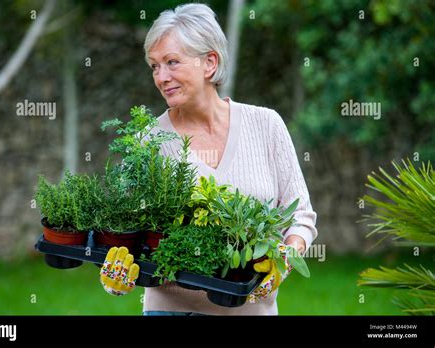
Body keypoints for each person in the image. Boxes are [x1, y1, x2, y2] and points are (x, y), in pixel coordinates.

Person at [99, 3, 317, 316]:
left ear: (209, 63)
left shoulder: (265, 125)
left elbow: (301, 215)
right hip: (173, 310)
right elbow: (132, 237)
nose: (161, 77)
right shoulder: (150, 142)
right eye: (154, 66)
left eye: (172, 62)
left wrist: (286, 255)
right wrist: (115, 275)